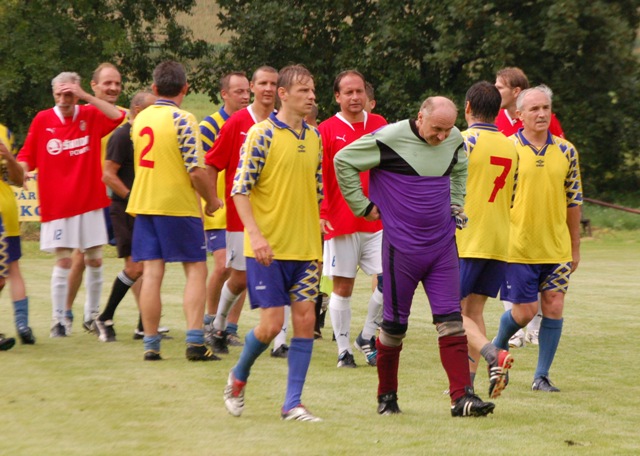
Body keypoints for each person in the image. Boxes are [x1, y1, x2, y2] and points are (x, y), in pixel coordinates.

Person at [334, 96, 495, 417]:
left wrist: (456, 203)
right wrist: (362, 207)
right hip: (400, 250)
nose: (441, 137)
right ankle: (387, 397)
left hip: (442, 247)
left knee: (451, 322)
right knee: (394, 328)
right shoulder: (389, 138)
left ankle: (461, 398)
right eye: (436, 129)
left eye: (448, 130)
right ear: (420, 117)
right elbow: (343, 160)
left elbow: (462, 166)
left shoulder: (454, 140)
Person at [223, 64, 323, 422]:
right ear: (283, 94)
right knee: (269, 327)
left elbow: (316, 190)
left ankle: (292, 403)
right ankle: (238, 376)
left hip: (308, 249)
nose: (312, 96)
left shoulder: (315, 137)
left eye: (313, 91)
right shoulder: (260, 135)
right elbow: (239, 190)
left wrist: (320, 222)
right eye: (304, 91)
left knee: (305, 321)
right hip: (268, 250)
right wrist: (255, 235)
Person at [17, 72, 125, 337]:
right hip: (58, 204)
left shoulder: (89, 115)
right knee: (64, 262)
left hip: (90, 200)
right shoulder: (43, 119)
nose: (64, 100)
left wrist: (86, 97)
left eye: (69, 95)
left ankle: (92, 315)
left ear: (76, 94)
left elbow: (118, 116)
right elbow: (27, 156)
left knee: (95, 260)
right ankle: (58, 320)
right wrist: (18, 171)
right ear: (53, 94)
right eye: (59, 95)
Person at [127, 60, 219, 361]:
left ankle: (151, 343)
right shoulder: (183, 119)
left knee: (152, 273)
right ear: (185, 88)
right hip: (177, 205)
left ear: (154, 88)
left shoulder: (139, 120)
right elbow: (195, 170)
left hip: (144, 203)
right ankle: (194, 341)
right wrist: (212, 200)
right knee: (196, 268)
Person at [492, 85, 582, 392]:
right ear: (519, 115)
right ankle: (496, 350)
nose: (542, 113)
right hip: (517, 246)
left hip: (555, 247)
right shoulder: (506, 148)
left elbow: (574, 200)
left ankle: (541, 376)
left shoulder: (567, 151)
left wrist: (574, 246)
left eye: (546, 108)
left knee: (554, 306)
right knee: (524, 312)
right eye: (534, 109)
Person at [205, 66, 278, 356]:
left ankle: (280, 339)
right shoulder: (237, 122)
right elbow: (212, 163)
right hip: (240, 218)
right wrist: (211, 199)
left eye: (273, 84)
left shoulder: (283, 123)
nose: (268, 89)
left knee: (280, 271)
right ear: (252, 87)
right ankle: (218, 324)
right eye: (263, 83)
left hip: (276, 215)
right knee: (240, 277)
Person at [318, 70, 387, 368]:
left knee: (392, 282)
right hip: (341, 220)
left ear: (367, 95)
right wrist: (321, 213)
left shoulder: (382, 125)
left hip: (379, 220)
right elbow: (318, 175)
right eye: (348, 92)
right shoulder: (326, 129)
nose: (355, 97)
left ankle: (367, 336)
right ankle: (344, 351)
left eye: (359, 91)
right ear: (337, 96)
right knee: (342, 288)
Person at [494, 67, 566, 348]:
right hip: (512, 219)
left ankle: (534, 330)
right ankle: (511, 332)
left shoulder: (547, 121)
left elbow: (558, 153)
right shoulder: (497, 120)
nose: (541, 113)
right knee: (514, 277)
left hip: (546, 220)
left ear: (515, 92)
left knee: (544, 286)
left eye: (500, 86)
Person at [457, 82, 518, 398]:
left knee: (451, 313)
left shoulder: (463, 141)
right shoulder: (511, 146)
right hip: (498, 239)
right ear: (497, 111)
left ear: (467, 107)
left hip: (467, 238)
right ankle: (470, 382)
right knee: (474, 310)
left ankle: (495, 353)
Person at [65, 63, 127, 333]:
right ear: (93, 86)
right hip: (92, 197)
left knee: (135, 259)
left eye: (117, 84)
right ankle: (64, 313)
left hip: (120, 198)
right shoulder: (84, 114)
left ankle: (144, 324)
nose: (113, 88)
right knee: (83, 257)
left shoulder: (124, 115)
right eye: (107, 83)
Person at [94, 91, 157, 342]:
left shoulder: (146, 136)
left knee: (151, 266)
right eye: (153, 110)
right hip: (125, 209)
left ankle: (144, 326)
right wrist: (134, 199)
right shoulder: (122, 135)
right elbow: (108, 175)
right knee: (134, 267)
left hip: (146, 208)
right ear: (139, 111)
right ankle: (104, 317)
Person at [200, 71, 251, 348]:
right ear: (225, 94)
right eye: (238, 92)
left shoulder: (256, 122)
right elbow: (202, 167)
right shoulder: (210, 126)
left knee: (240, 270)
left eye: (247, 91)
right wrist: (207, 201)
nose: (245, 96)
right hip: (218, 210)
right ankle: (210, 321)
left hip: (243, 210)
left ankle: (230, 327)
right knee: (222, 266)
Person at [0, 124, 35, 344]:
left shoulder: (4, 132)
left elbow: (17, 179)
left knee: (10, 270)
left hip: (5, 210)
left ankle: (23, 325)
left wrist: (9, 158)